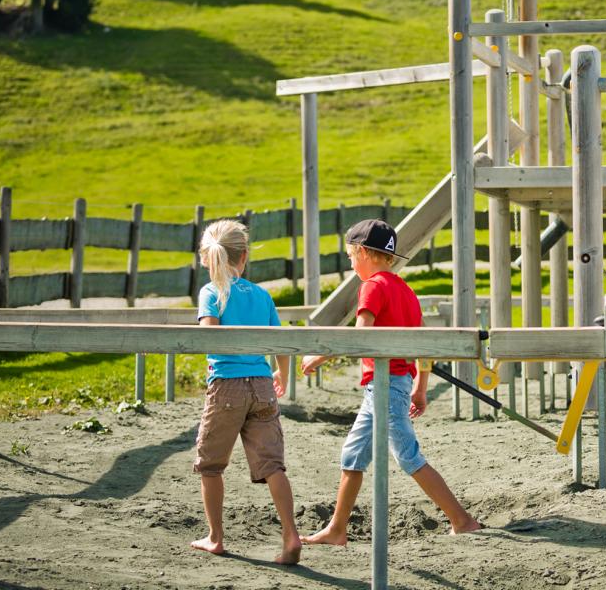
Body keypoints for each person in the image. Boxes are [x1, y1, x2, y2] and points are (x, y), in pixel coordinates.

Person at [301, 219, 480, 545]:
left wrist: (320, 356)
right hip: (391, 385)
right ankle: (337, 529)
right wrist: (421, 388)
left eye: (351, 256)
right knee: (353, 454)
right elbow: (425, 344)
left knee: (408, 456)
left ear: (363, 252)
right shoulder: (406, 291)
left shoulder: (371, 287)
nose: (350, 263)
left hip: (386, 386)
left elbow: (361, 336)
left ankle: (462, 519)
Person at [191, 219, 301, 565]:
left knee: (210, 464)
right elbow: (280, 341)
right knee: (272, 465)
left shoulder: (211, 293)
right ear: (245, 257)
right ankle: (290, 533)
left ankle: (215, 536)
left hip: (226, 385)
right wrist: (281, 373)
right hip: (262, 385)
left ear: (208, 259)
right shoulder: (262, 294)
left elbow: (210, 335)